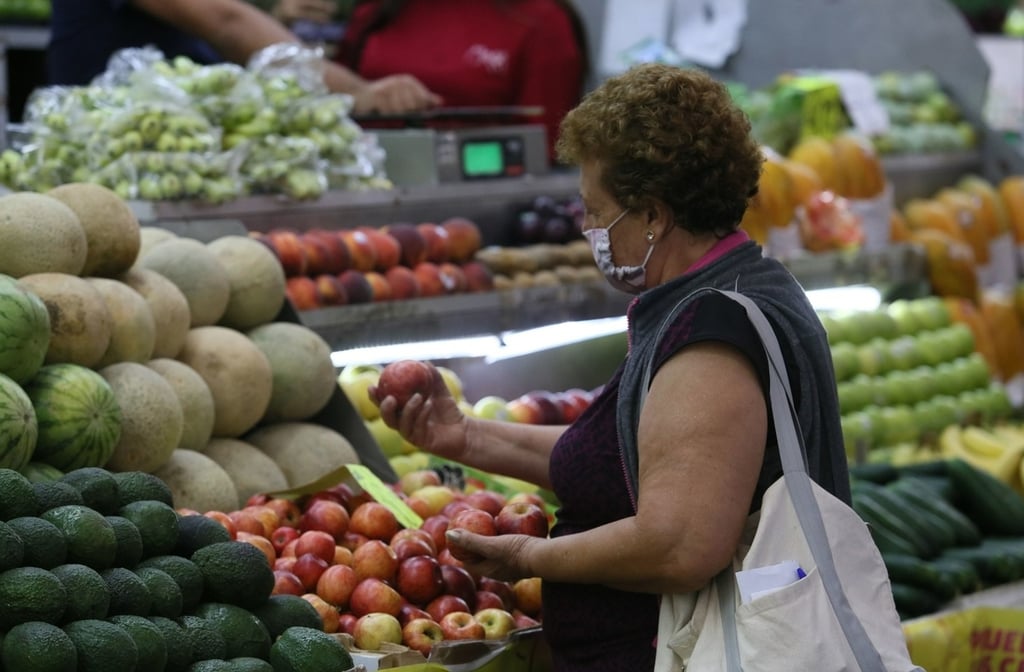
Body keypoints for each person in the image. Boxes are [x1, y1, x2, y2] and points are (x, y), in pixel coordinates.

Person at [370, 64, 850, 671]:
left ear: (652, 216)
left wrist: (527, 554)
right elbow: (626, 461)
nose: (588, 228)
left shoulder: (711, 337)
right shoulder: (730, 288)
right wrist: (465, 435)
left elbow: (678, 546)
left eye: (597, 211)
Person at [48, 0, 441, 115]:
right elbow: (227, 22)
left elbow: (209, 45)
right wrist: (358, 91)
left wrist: (274, 23)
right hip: (108, 169)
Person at [334, 0, 587, 159]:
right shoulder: (377, 10)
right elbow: (331, 107)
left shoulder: (543, 20)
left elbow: (550, 149)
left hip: (480, 207)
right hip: (362, 187)